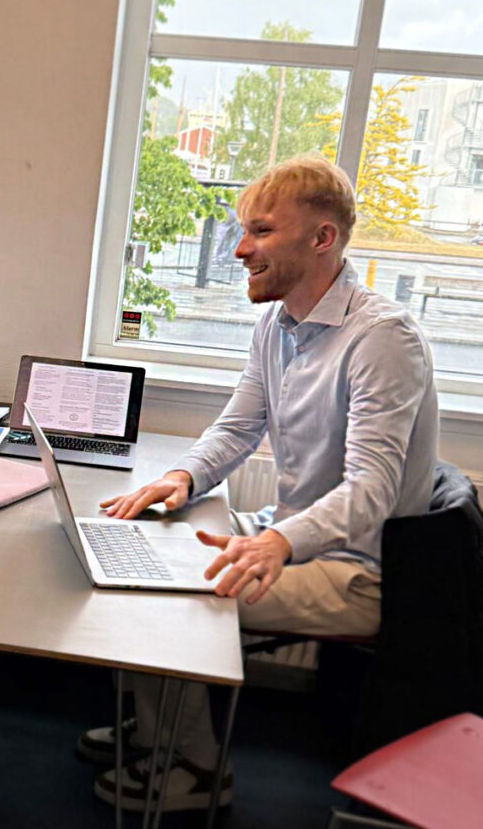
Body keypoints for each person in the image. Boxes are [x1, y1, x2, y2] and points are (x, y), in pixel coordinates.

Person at [81, 154, 439, 814]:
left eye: (262, 231)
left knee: (167, 600)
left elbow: (372, 490)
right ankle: (158, 729)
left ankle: (195, 766)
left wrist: (278, 542)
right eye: (244, 230)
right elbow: (238, 427)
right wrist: (182, 476)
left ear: (322, 238)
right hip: (291, 532)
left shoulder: (383, 339)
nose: (240, 249)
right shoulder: (278, 325)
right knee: (133, 548)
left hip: (357, 570)